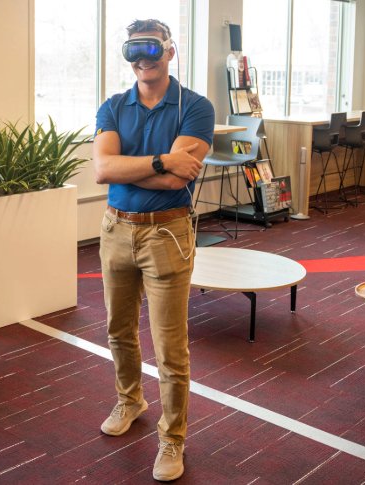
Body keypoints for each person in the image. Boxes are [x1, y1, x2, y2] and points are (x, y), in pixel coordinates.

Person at [93, 18, 214, 482]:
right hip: (116, 230)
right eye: (132, 51)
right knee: (118, 330)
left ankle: (173, 436)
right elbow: (103, 170)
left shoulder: (196, 107)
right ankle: (130, 399)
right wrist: (162, 159)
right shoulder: (112, 106)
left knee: (170, 346)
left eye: (150, 49)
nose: (142, 59)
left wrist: (135, 168)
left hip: (167, 233)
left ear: (170, 51)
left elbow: (176, 181)